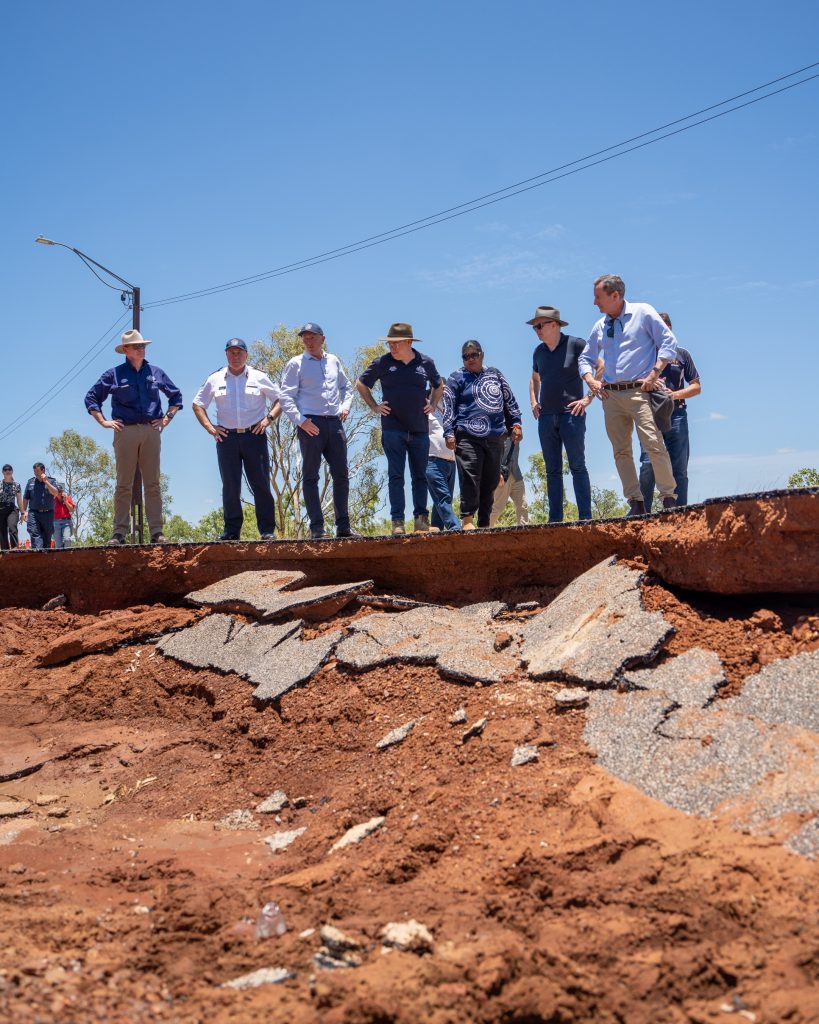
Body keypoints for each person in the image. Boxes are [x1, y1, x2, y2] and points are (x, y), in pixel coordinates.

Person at [579, 275, 678, 516]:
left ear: (615, 295)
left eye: (598, 297)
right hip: (610, 396)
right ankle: (636, 501)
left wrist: (655, 373)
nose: (594, 302)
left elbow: (669, 342)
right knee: (621, 451)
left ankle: (668, 499)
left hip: (639, 392)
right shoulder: (600, 325)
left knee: (654, 445)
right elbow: (585, 358)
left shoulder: (642, 312)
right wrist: (591, 380)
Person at [85, 329, 183, 545]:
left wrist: (167, 418)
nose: (142, 349)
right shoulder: (114, 374)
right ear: (126, 350)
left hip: (151, 430)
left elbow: (176, 396)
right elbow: (91, 397)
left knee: (153, 483)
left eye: (143, 345)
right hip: (125, 431)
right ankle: (118, 533)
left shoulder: (156, 372)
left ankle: (157, 533)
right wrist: (103, 421)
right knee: (123, 484)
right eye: (137, 346)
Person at [356, 322, 443, 535]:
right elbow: (361, 384)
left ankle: (421, 522)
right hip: (392, 429)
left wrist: (432, 403)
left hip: (420, 429)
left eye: (396, 344)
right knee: (396, 475)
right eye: (390, 343)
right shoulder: (382, 363)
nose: (392, 348)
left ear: (409, 342)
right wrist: (375, 406)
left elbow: (438, 385)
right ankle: (397, 523)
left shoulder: (426, 363)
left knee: (420, 475)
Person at [192, 339, 281, 541]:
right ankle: (231, 531)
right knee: (230, 485)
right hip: (227, 439)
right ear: (226, 355)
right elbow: (198, 404)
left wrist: (268, 419)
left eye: (239, 352)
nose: (235, 356)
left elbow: (280, 399)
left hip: (255, 436)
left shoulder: (259, 376)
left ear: (246, 355)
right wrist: (210, 428)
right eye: (231, 352)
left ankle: (267, 530)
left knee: (261, 484)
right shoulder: (215, 379)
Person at [279, 322, 356, 540]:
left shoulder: (333, 361)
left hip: (335, 423)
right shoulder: (296, 364)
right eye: (305, 337)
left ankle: (344, 527)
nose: (308, 341)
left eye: (312, 337)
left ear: (323, 339)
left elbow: (347, 388)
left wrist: (345, 406)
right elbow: (286, 396)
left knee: (341, 474)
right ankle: (317, 528)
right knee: (310, 476)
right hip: (310, 424)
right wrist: (301, 421)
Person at [442, 340, 523, 530]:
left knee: (490, 480)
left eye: (474, 355)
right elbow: (448, 406)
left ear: (482, 354)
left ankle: (484, 522)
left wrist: (516, 423)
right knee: (470, 476)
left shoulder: (495, 374)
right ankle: (468, 519)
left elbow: (510, 400)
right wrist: (448, 432)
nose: (470, 359)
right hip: (467, 434)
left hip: (495, 436)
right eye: (466, 356)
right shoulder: (456, 377)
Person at [527, 305, 592, 522]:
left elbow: (600, 366)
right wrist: (534, 401)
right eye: (534, 327)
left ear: (554, 325)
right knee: (552, 471)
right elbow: (534, 378)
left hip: (571, 416)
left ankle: (585, 518)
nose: (536, 330)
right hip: (546, 418)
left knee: (577, 466)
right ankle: (555, 520)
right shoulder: (539, 352)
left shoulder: (576, 344)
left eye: (539, 326)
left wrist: (588, 398)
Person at [639, 312, 701, 509]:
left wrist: (673, 395)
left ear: (670, 329)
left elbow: (696, 387)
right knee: (648, 463)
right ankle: (641, 512)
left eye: (664, 329)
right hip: (650, 414)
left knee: (679, 467)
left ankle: (679, 512)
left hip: (677, 414)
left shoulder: (682, 354)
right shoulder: (643, 354)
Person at [425, 410, 460, 532]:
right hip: (432, 460)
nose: (445, 389)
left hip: (451, 461)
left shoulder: (449, 409)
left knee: (444, 498)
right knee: (443, 497)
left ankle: (436, 527)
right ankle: (455, 527)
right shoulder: (424, 406)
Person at [489, 435, 529, 527]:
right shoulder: (498, 433)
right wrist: (497, 473)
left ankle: (524, 533)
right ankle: (484, 532)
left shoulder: (516, 432)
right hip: (502, 476)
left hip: (516, 474)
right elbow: (492, 455)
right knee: (497, 508)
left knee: (523, 505)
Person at [22, 463, 64, 550]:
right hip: (33, 513)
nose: (36, 474)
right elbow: (26, 498)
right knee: (35, 534)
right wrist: (24, 512)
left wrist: (46, 482)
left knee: (47, 538)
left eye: (38, 471)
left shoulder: (51, 481)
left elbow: (55, 493)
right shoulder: (30, 482)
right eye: (34, 472)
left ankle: (45, 558)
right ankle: (38, 555)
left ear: (43, 471)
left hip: (48, 514)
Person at [0, 464, 24, 550]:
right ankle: (5, 551)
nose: (7, 471)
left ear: (12, 471)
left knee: (12, 527)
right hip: (1, 509)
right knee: (2, 532)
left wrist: (22, 513)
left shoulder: (16, 485)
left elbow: (19, 500)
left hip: (12, 509)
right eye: (5, 470)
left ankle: (14, 549)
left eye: (9, 469)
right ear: (3, 472)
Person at [53, 484, 75, 549]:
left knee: (67, 539)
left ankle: (67, 556)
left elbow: (71, 510)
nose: (59, 493)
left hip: (66, 522)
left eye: (60, 491)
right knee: (58, 544)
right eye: (58, 492)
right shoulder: (53, 500)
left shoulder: (67, 498)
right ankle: (60, 558)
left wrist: (65, 501)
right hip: (56, 523)